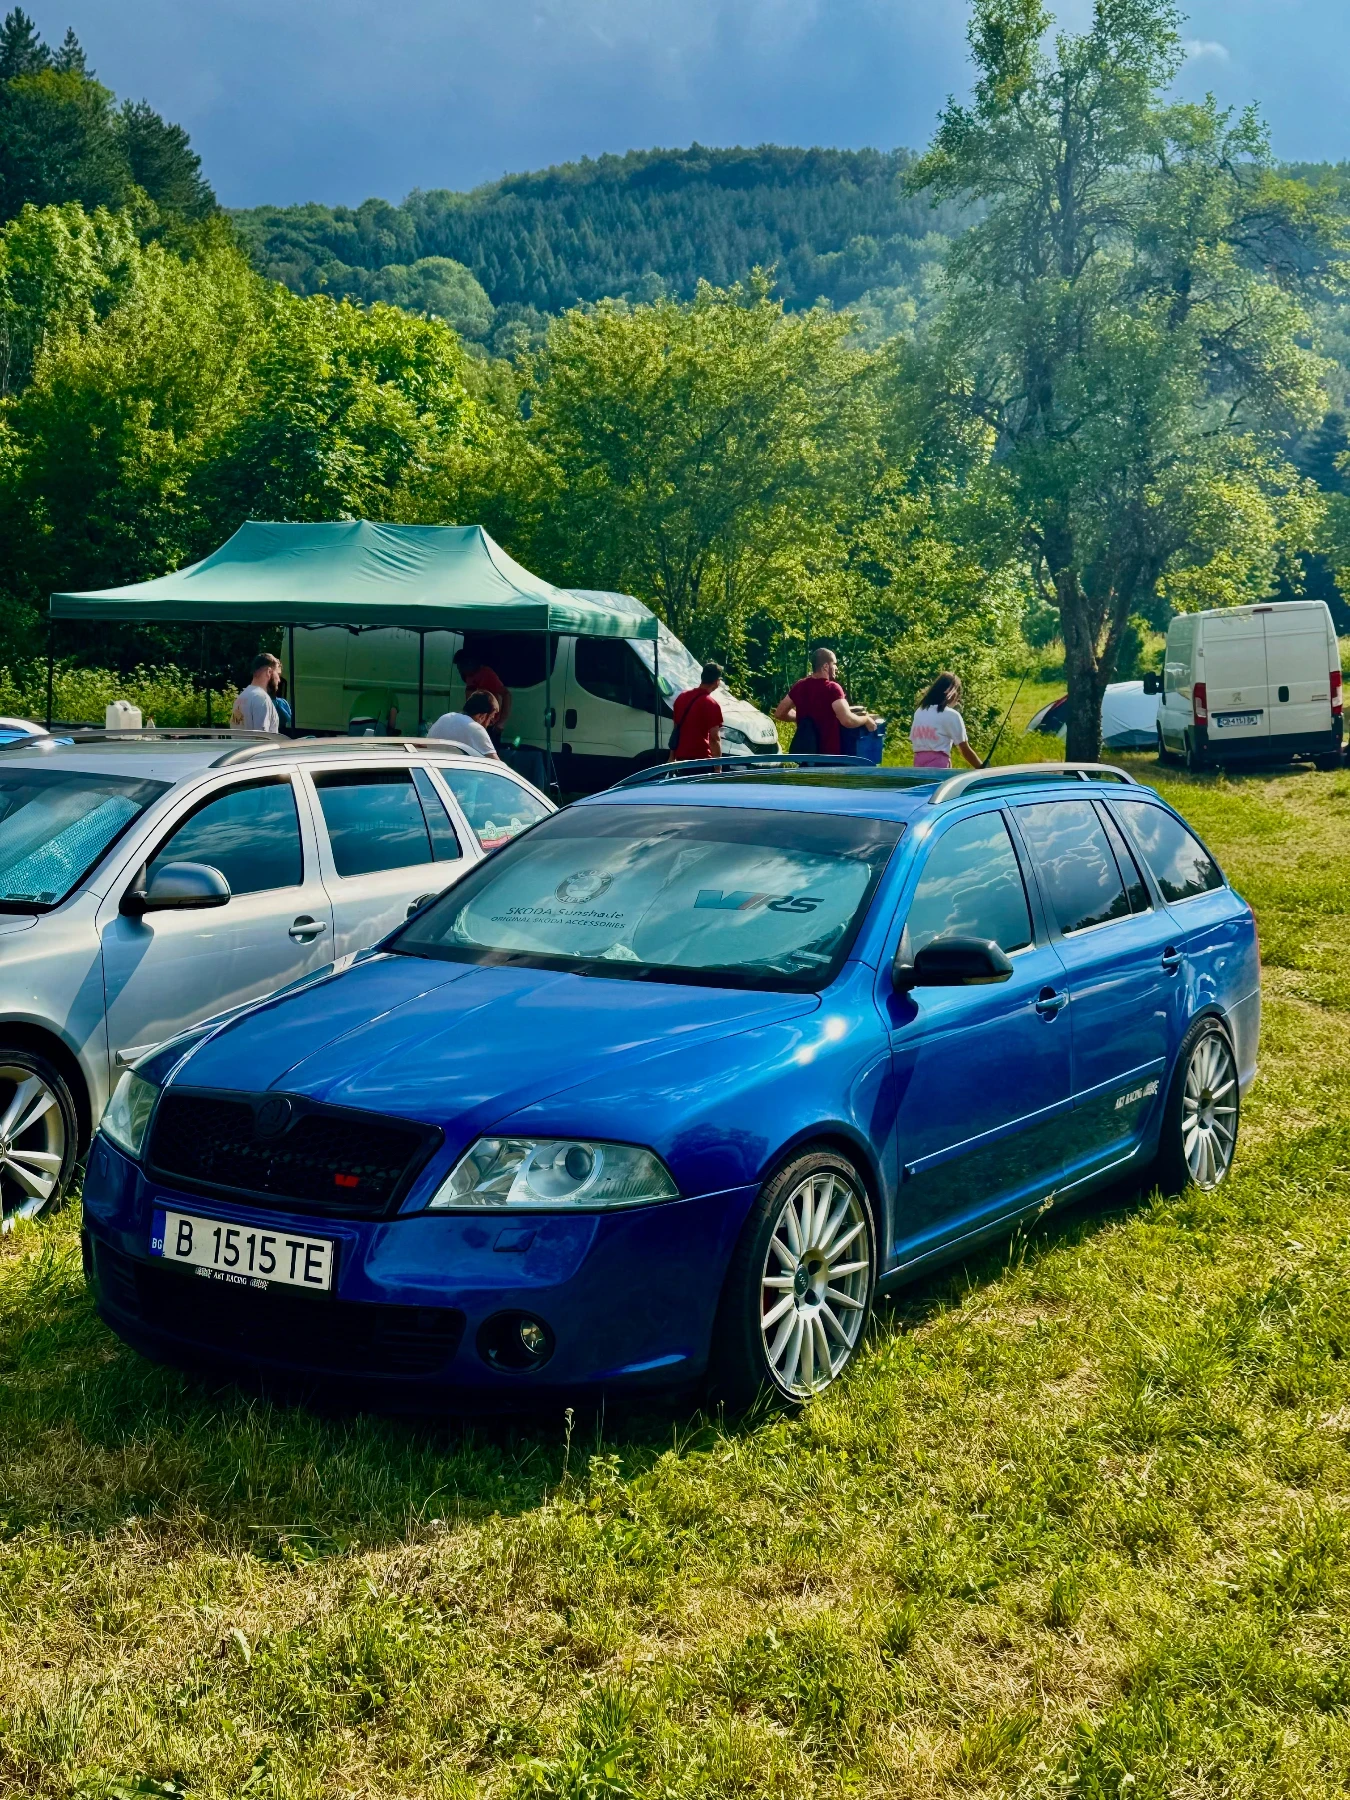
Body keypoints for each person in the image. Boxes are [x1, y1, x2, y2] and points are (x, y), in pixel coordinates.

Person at [773, 646, 878, 754]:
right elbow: (847, 720)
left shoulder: (800, 686)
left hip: (806, 756)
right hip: (828, 758)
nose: (836, 668)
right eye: (834, 664)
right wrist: (866, 719)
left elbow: (779, 713)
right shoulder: (832, 688)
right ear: (825, 666)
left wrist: (801, 717)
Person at [910, 672, 981, 769]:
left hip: (918, 767)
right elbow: (965, 750)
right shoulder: (951, 715)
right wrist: (983, 769)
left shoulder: (920, 711)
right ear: (952, 693)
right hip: (940, 768)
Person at [670, 661, 724, 761]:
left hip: (681, 759)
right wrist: (718, 766)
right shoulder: (712, 704)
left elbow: (676, 729)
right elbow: (714, 739)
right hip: (701, 760)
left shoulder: (682, 697)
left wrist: (672, 757)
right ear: (717, 682)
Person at [427, 690, 500, 758]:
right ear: (481, 716)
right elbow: (496, 764)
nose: (489, 724)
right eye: (490, 718)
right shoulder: (476, 729)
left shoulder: (445, 718)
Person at [230, 653, 281, 733]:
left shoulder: (241, 697)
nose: (279, 680)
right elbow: (262, 736)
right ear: (269, 672)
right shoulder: (262, 698)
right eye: (278, 674)